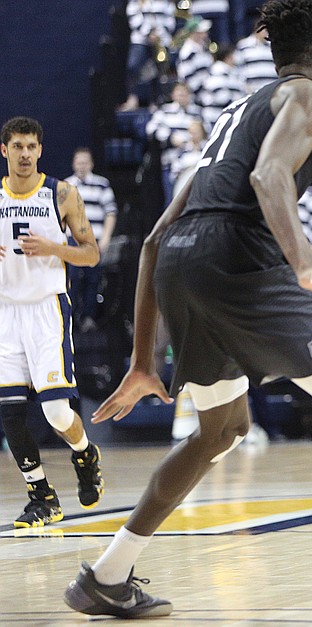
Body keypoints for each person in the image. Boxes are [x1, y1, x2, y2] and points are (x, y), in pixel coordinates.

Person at [62, 3, 312, 626]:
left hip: (183, 263)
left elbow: (158, 238)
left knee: (220, 430)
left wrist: (143, 362)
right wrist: (306, 267)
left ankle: (104, 577)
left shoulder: (232, 114)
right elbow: (273, 175)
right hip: (240, 260)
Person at [0, 117, 103, 527]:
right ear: (3, 150)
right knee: (9, 412)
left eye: (31, 146)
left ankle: (84, 453)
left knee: (57, 413)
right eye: (17, 146)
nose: (25, 153)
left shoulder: (61, 194)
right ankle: (42, 495)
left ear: (40, 150)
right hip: (6, 313)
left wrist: (54, 248)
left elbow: (92, 253)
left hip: (46, 310)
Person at [65, 148, 118, 332]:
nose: (81, 166)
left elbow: (110, 213)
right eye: (78, 162)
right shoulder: (66, 186)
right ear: (73, 164)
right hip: (72, 241)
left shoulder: (101, 184)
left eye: (85, 162)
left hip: (94, 240)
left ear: (91, 164)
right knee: (71, 278)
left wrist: (105, 239)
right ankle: (70, 318)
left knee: (92, 279)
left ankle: (88, 318)